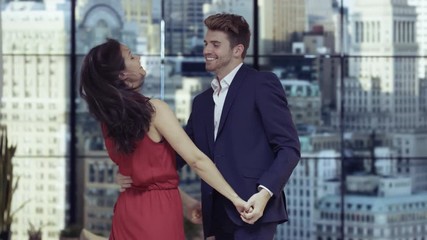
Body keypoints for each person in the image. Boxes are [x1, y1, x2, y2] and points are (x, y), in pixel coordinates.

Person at [118, 12, 301, 239]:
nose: (206, 50)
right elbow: (176, 154)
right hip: (215, 213)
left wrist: (264, 194)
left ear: (237, 50)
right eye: (206, 43)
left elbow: (289, 148)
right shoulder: (202, 102)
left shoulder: (261, 83)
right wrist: (131, 171)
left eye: (215, 44)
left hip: (253, 208)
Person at [79, 38, 250, 240]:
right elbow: (196, 160)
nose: (139, 58)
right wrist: (236, 199)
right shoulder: (154, 110)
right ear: (123, 75)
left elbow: (147, 175)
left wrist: (187, 204)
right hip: (157, 217)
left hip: (128, 212)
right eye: (132, 56)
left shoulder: (108, 119)